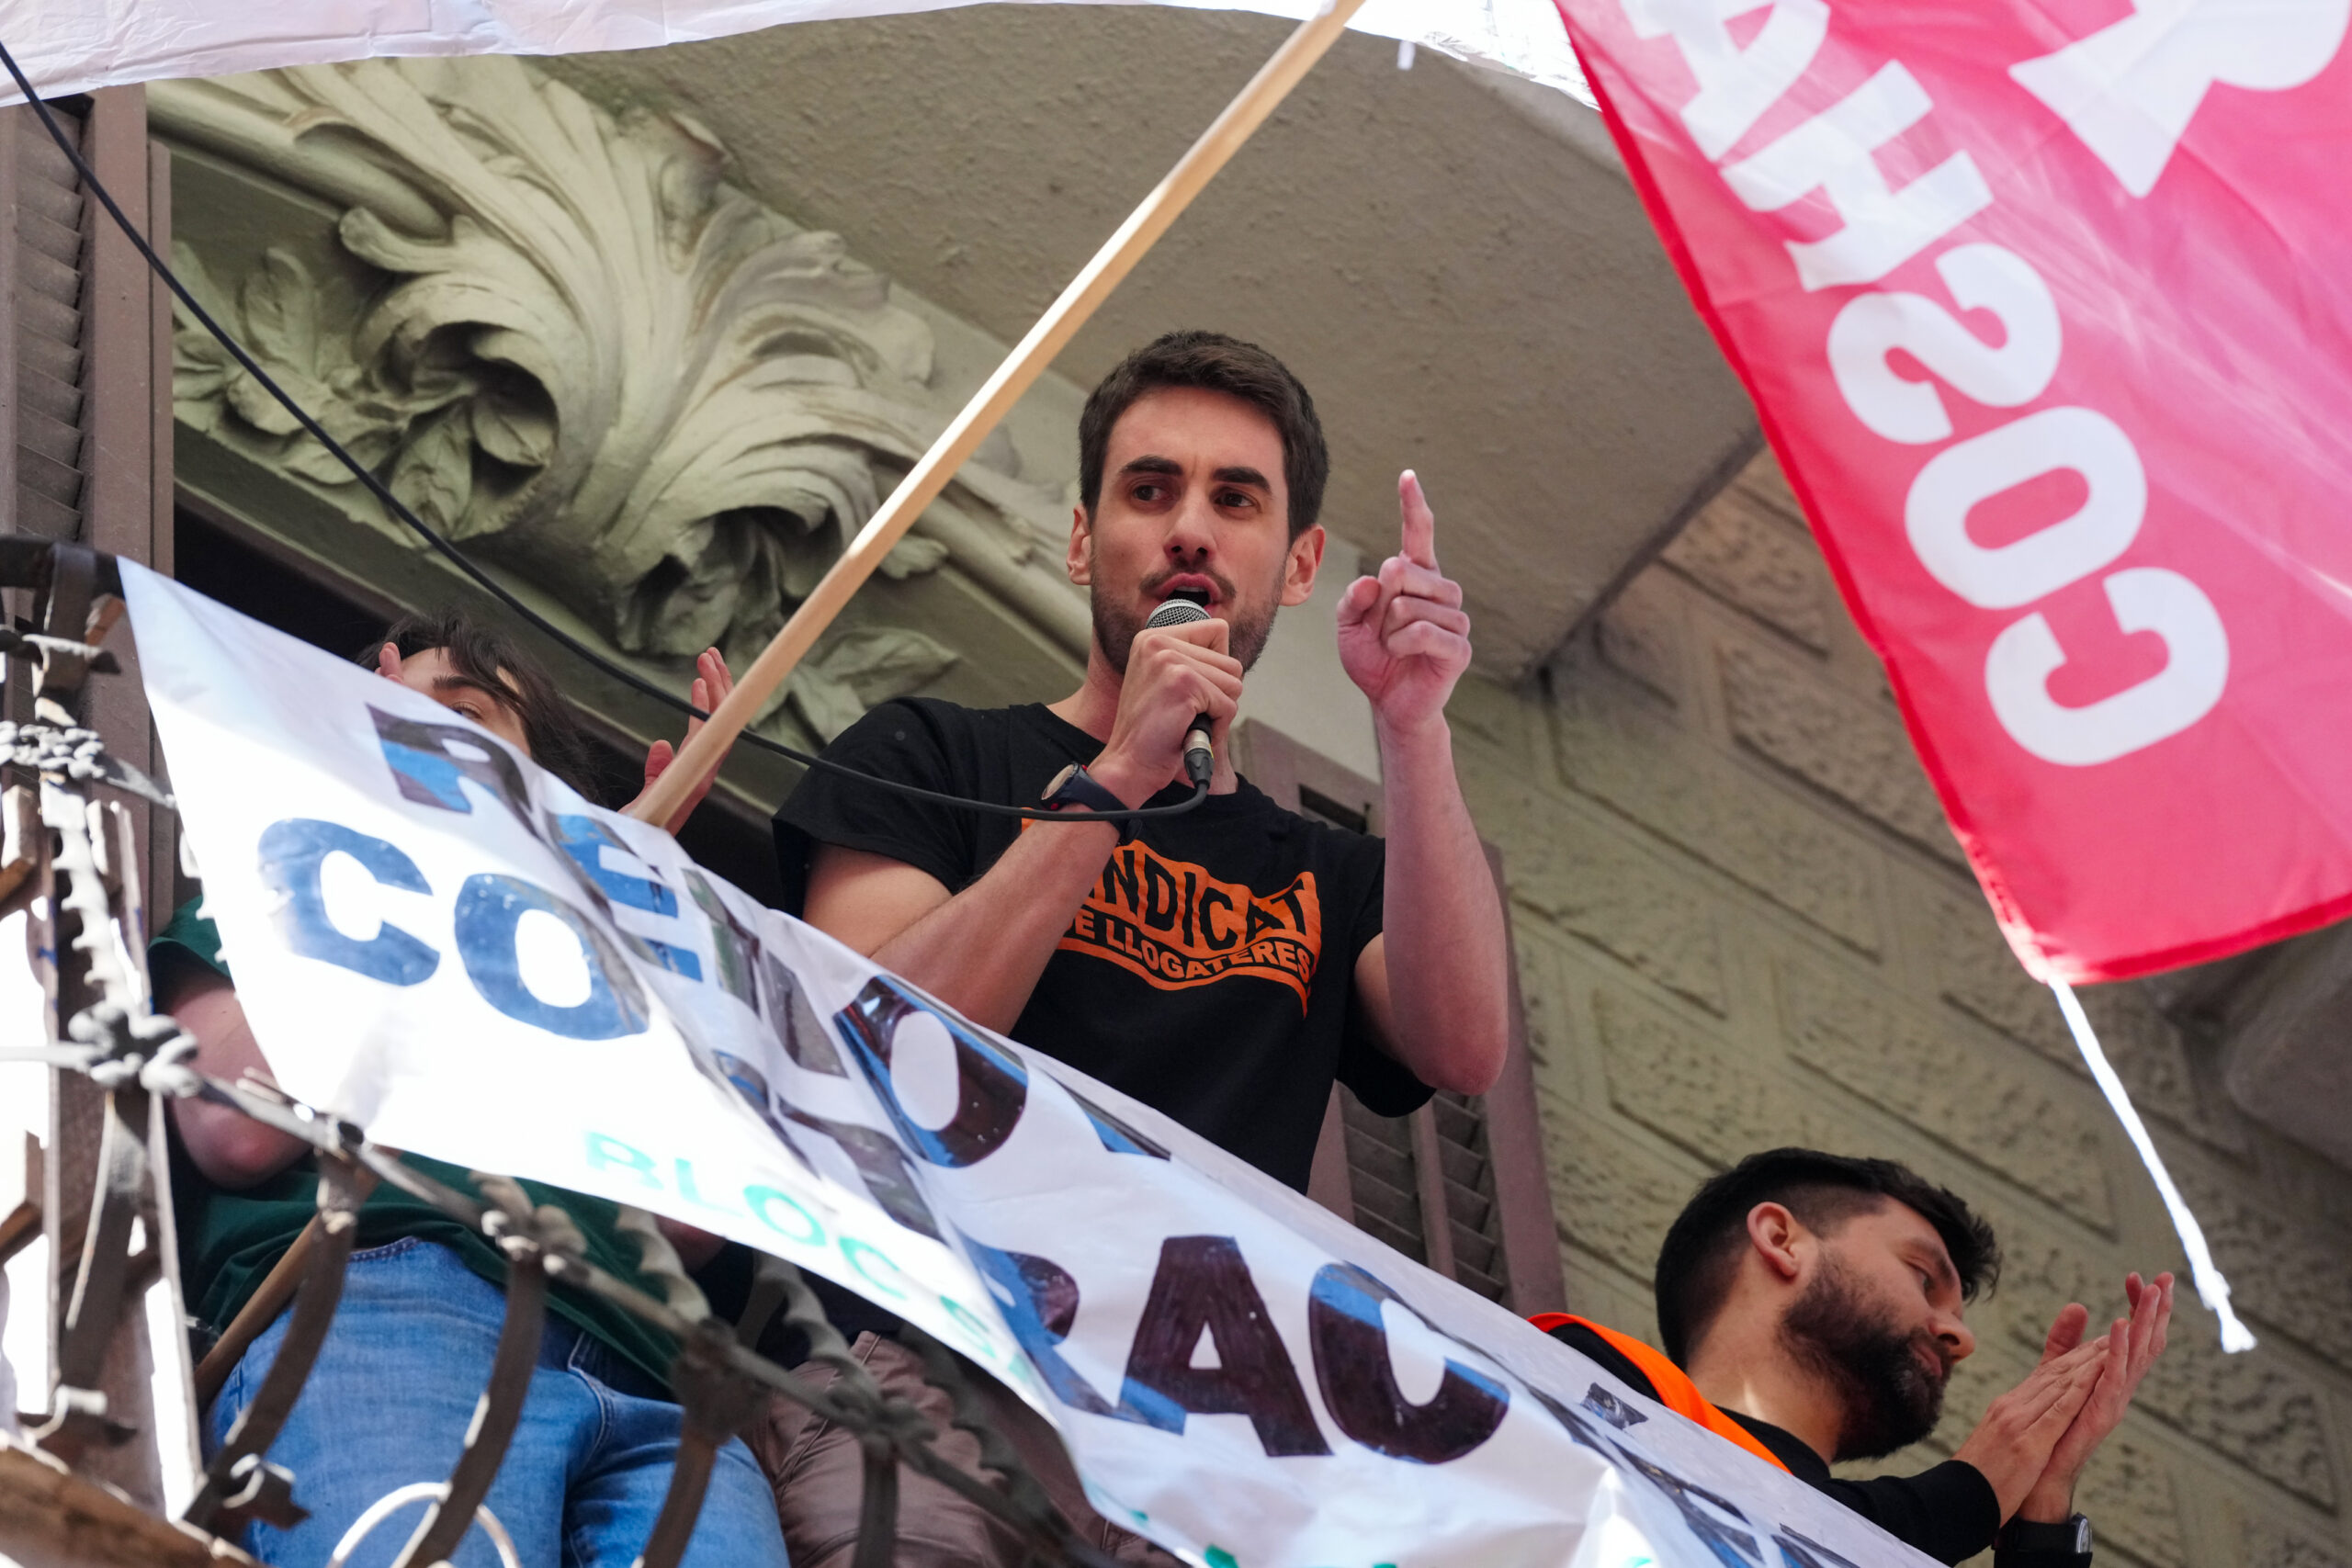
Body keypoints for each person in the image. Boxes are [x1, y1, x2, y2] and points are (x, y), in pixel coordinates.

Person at [758, 329, 1513, 1564]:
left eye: (1237, 499)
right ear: (1080, 538)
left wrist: (1414, 724)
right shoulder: (932, 755)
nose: (1191, 530)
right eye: (1150, 490)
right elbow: (870, 1042)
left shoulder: (1329, 873)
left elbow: (1464, 1046)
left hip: (1193, 1447)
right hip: (928, 1363)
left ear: (1300, 563)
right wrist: (1114, 781)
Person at [157, 610, 781, 1568]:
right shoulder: (269, 884)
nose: (431, 737)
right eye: (390, 713)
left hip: (663, 1378)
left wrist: (625, 927)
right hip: (391, 1300)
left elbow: (690, 1223)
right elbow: (237, 1127)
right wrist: (431, 875)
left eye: (469, 716)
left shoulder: (592, 964)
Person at [1536, 1149, 2174, 1566]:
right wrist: (1967, 1496)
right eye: (1923, 1276)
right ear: (1782, 1240)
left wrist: (2041, 1526)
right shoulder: (1574, 1371)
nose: (1961, 1338)